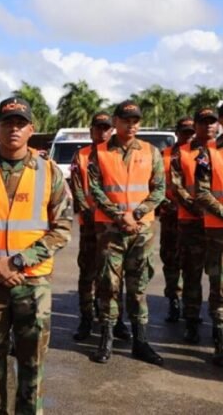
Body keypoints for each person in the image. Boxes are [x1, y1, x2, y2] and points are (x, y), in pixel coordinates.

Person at [0, 97, 72, 414]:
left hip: (32, 282)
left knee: (32, 365)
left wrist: (18, 262)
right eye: (8, 123)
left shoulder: (49, 172)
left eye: (20, 123)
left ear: (31, 129)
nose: (14, 129)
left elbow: (63, 227)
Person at [88, 100, 165, 366]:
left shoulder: (151, 151)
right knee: (108, 284)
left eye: (135, 121)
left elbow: (159, 189)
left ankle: (140, 342)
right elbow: (95, 190)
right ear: (115, 122)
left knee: (138, 285)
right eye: (126, 120)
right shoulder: (99, 152)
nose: (131, 125)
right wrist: (120, 216)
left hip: (141, 230)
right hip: (110, 229)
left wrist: (137, 214)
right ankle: (106, 340)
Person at [71, 112, 131, 341]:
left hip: (113, 225)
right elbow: (78, 188)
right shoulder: (82, 155)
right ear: (91, 131)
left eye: (106, 128)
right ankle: (86, 319)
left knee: (114, 274)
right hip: (90, 224)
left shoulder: (116, 154)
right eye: (98, 128)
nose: (103, 132)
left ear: (112, 130)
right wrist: (89, 213)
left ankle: (116, 320)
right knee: (88, 273)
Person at [171, 110, 218, 344]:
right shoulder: (182, 153)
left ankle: (218, 325)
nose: (208, 126)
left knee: (219, 277)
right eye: (203, 122)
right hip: (192, 223)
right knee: (192, 274)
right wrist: (199, 209)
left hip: (218, 225)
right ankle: (191, 321)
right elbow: (177, 186)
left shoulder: (220, 151)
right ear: (196, 125)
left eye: (212, 122)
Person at [193, 102, 223, 366]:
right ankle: (221, 343)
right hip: (219, 232)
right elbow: (202, 192)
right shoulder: (209, 153)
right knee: (221, 288)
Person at [159, 118, 197, 323]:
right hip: (171, 217)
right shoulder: (163, 156)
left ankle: (191, 307)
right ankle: (173, 300)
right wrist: (167, 204)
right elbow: (153, 185)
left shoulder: (201, 154)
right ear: (176, 133)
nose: (188, 136)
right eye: (184, 132)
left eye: (191, 132)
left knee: (192, 264)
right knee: (171, 261)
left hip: (194, 218)